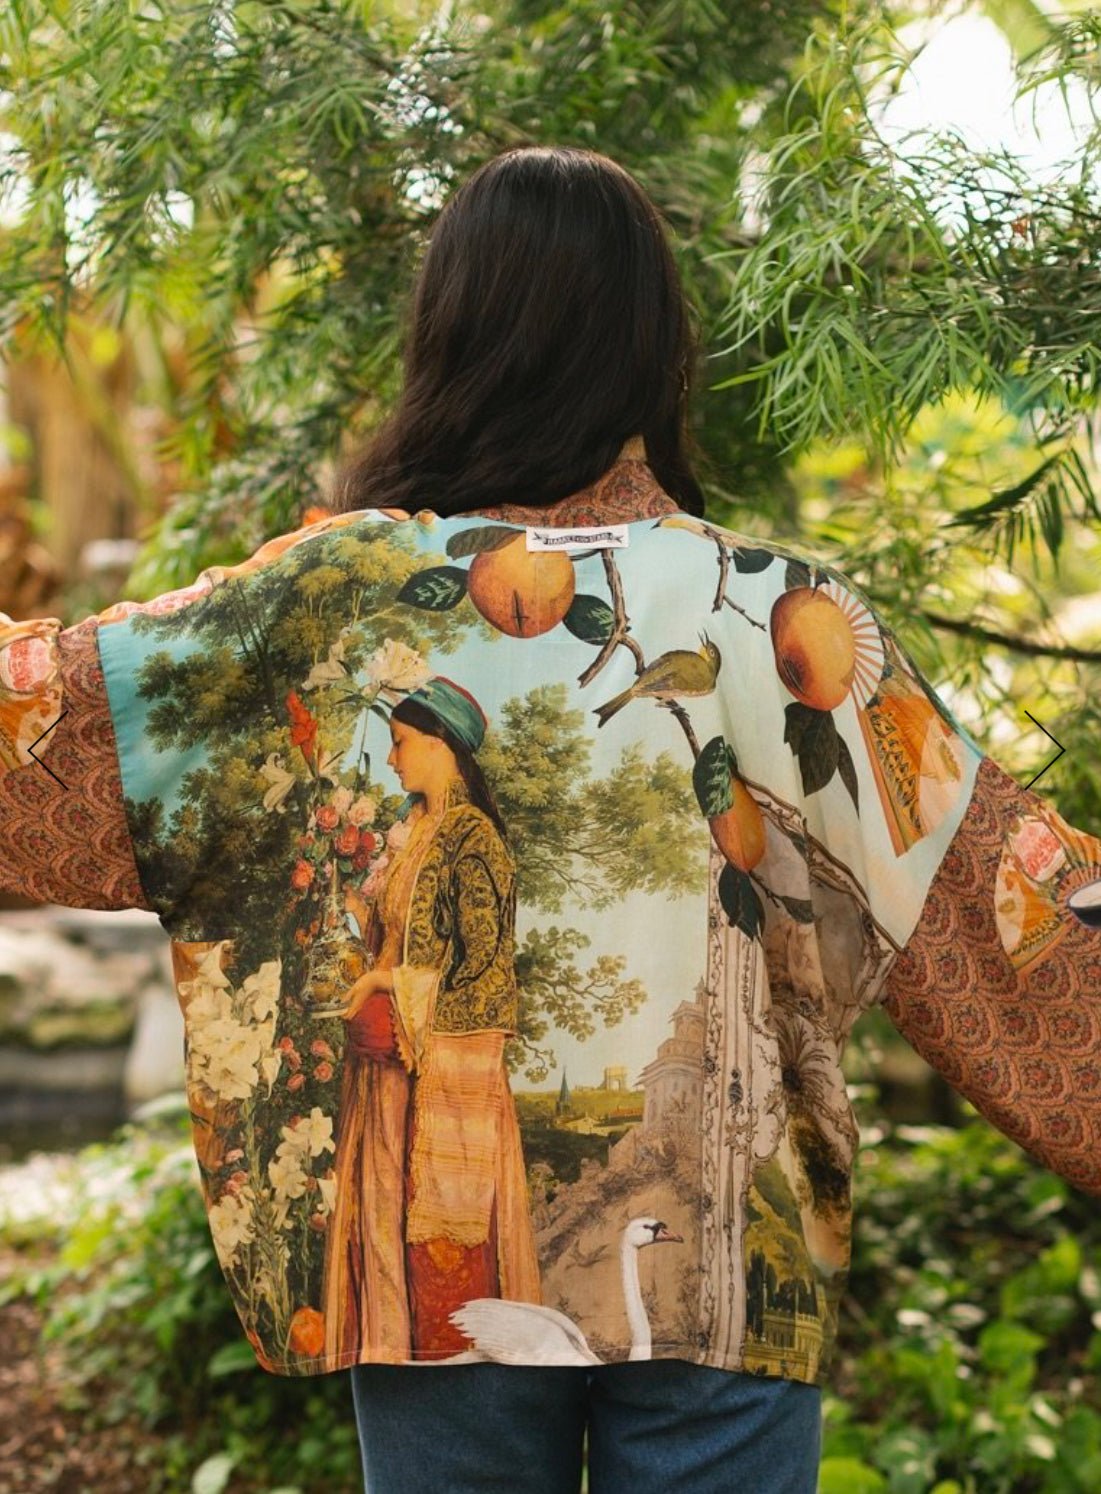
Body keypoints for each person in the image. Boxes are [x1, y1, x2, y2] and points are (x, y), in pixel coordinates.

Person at [0, 142, 1098, 1494]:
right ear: (654, 349)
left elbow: (49, 723)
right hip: (725, 1258)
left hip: (437, 1268)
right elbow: (998, 895)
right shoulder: (770, 613)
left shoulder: (327, 599)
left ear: (449, 336)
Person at [321, 678, 543, 1363]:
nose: (392, 759)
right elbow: (396, 931)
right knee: (382, 1223)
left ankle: (457, 1377)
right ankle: (391, 1354)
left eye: (401, 743)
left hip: (438, 1070)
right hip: (387, 1069)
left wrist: (387, 983)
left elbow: (486, 968)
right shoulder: (412, 829)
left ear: (442, 743)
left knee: (442, 1247)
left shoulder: (473, 837)